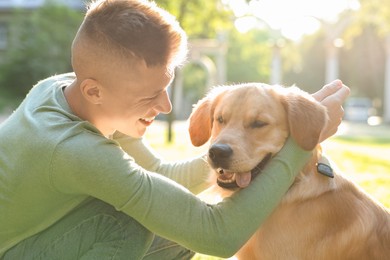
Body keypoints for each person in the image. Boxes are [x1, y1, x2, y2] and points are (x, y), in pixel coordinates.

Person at [0, 0, 350, 259]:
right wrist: (301, 146)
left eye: (166, 86)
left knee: (176, 223)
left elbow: (160, 175)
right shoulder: (75, 150)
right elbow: (219, 238)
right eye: (150, 95)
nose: (166, 106)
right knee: (134, 222)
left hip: (37, 238)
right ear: (95, 91)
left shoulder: (66, 90)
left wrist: (257, 142)